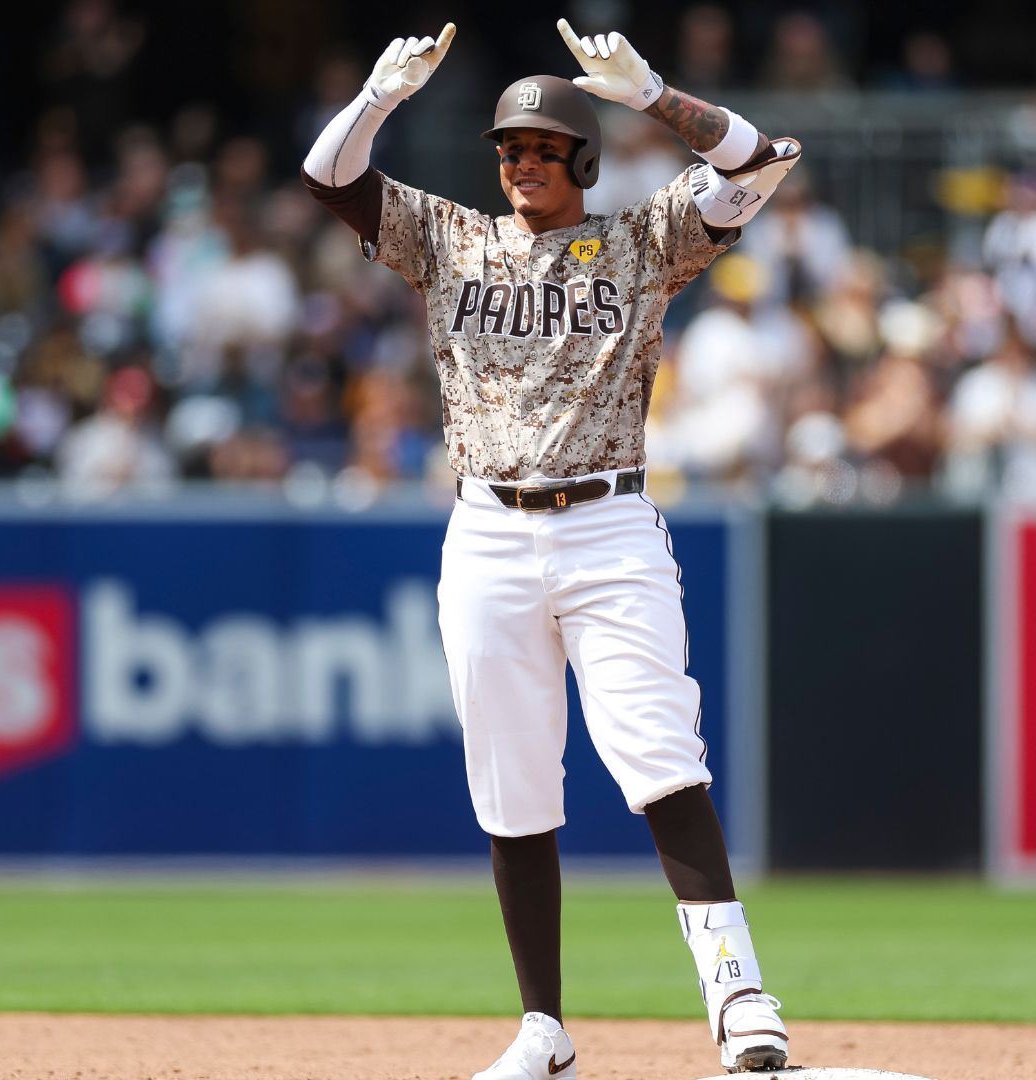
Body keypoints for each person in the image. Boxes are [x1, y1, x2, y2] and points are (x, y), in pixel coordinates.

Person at [300, 20, 799, 1079]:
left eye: (540, 148)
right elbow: (328, 174)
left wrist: (657, 97)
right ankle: (544, 1029)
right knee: (512, 786)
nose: (521, 163)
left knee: (660, 755)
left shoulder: (642, 237)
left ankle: (739, 994)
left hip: (609, 520)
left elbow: (755, 164)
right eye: (508, 150)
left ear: (582, 158)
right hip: (485, 529)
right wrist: (379, 96)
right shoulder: (454, 239)